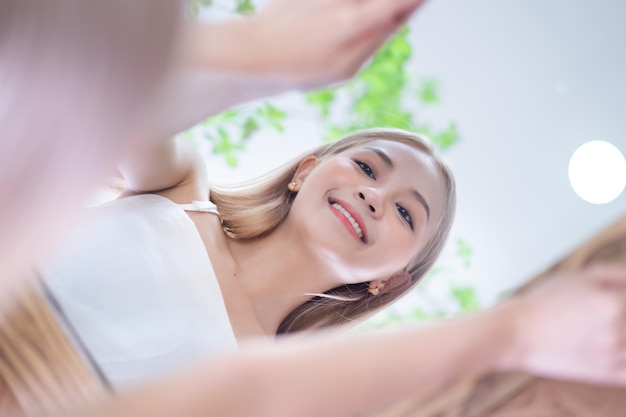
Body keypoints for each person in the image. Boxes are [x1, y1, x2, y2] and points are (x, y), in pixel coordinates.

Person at [2, 1, 626, 417]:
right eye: (365, 166)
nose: (373, 196)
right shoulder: (181, 191)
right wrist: (268, 55)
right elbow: (119, 98)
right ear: (307, 171)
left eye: (407, 214)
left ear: (391, 278)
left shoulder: (304, 382)